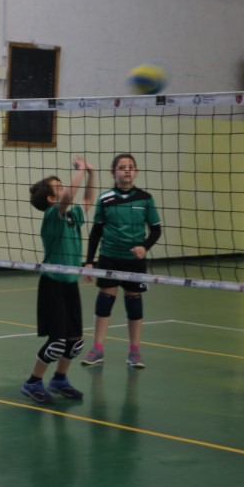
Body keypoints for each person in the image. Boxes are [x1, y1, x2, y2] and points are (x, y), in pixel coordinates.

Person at [21, 157, 96, 404]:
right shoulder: (53, 214)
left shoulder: (71, 216)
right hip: (52, 284)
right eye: (59, 187)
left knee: (74, 342)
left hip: (69, 283)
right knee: (57, 343)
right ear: (52, 199)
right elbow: (69, 197)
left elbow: (88, 201)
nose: (65, 189)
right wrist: (80, 170)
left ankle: (59, 380)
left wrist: (91, 174)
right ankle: (32, 382)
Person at [82, 153, 162, 369]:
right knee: (104, 301)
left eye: (131, 167)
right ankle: (97, 349)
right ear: (113, 172)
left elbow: (156, 230)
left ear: (136, 172)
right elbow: (96, 232)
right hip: (109, 257)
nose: (127, 170)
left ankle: (134, 351)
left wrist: (144, 246)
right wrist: (89, 262)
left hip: (133, 261)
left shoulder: (145, 198)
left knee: (134, 304)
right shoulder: (105, 199)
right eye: (122, 167)